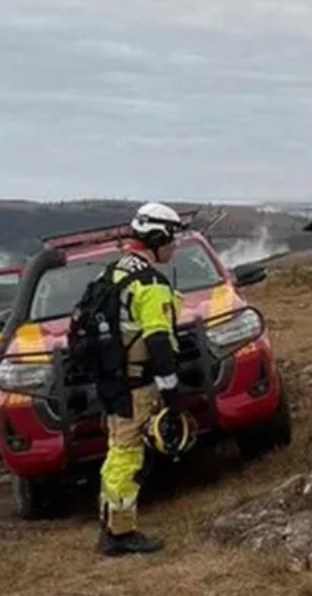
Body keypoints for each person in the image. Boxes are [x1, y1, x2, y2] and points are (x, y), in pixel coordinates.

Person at [95, 202, 188, 556]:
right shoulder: (149, 283)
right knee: (127, 457)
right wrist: (171, 392)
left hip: (113, 381)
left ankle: (111, 523)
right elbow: (158, 341)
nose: (174, 246)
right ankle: (119, 534)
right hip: (137, 385)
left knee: (117, 452)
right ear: (157, 238)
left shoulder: (114, 271)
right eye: (171, 239)